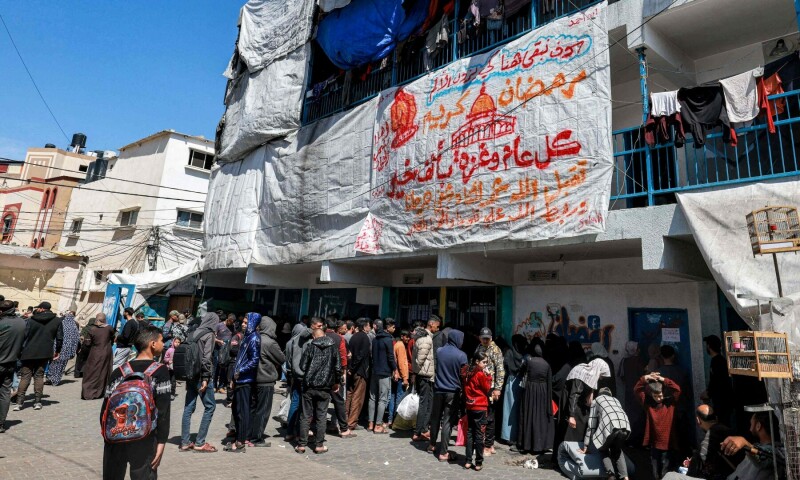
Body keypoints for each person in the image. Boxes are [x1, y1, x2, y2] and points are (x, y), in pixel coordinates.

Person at [102, 325, 171, 480]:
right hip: (144, 438)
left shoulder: (119, 371)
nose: (163, 344)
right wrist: (161, 442)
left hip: (115, 436)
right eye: (161, 340)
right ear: (152, 344)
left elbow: (105, 408)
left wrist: (108, 437)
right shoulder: (160, 371)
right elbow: (163, 411)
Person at [664, 411, 785, 480]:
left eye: (751, 423)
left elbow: (764, 458)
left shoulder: (775, 450)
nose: (749, 427)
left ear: (758, 426)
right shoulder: (758, 446)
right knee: (671, 476)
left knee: (671, 478)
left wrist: (746, 444)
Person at [295, 328, 341, 454]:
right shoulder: (333, 347)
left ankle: (301, 445)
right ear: (324, 336)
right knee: (321, 416)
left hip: (309, 386)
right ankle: (319, 445)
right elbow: (338, 368)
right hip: (325, 387)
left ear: (314, 337)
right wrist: (336, 383)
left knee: (305, 415)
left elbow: (302, 366)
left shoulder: (311, 347)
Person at [179, 312, 218, 453]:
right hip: (202, 376)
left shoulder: (193, 332)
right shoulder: (209, 335)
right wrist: (206, 378)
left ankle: (184, 442)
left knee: (188, 407)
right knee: (210, 406)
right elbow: (207, 358)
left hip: (190, 375)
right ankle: (200, 442)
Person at [428, 329, 468, 462]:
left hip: (438, 389)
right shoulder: (462, 355)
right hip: (453, 392)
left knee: (435, 418)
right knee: (447, 421)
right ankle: (443, 452)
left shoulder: (439, 351)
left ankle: (432, 444)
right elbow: (464, 375)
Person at [15, 301, 63, 411]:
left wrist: (20, 350)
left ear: (41, 309)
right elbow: (60, 338)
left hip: (28, 352)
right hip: (45, 353)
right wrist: (57, 351)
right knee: (39, 376)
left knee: (25, 376)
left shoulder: (31, 320)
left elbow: (24, 335)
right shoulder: (57, 321)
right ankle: (37, 402)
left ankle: (19, 402)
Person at [636, 372, 681, 479]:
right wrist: (645, 378)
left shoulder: (670, 403)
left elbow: (677, 389)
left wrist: (662, 379)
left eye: (660, 395)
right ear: (651, 395)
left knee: (666, 469)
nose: (658, 398)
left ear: (664, 393)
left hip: (667, 443)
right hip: (654, 443)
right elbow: (637, 390)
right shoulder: (648, 404)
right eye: (655, 396)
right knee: (655, 470)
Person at [251, 315, 286, 446]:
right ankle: (257, 438)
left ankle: (249, 433)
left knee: (253, 408)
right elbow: (282, 359)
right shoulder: (270, 342)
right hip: (265, 380)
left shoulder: (253, 338)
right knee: (263, 410)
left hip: (251, 379)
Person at [582, 387, 631, 480]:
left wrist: (586, 446)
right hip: (626, 426)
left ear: (599, 394)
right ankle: (625, 477)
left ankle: (610, 475)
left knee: (603, 448)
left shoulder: (596, 400)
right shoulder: (616, 400)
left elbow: (591, 424)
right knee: (617, 450)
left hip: (611, 425)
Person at [227, 312, 260, 453]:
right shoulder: (247, 337)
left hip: (246, 380)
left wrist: (240, 371)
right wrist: (234, 376)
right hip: (239, 378)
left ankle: (240, 441)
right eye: (243, 322)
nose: (243, 324)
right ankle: (238, 439)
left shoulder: (254, 338)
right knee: (236, 410)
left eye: (246, 322)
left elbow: (254, 360)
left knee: (242, 411)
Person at [683, 405, 740, 480]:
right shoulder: (729, 431)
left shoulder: (709, 438)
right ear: (716, 418)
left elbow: (693, 472)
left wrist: (693, 463)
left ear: (698, 420)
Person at [518, 339, 554, 454]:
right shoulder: (547, 364)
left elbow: (523, 373)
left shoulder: (530, 361)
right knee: (540, 416)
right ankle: (539, 445)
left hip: (530, 390)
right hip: (543, 391)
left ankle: (527, 444)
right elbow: (549, 382)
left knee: (529, 414)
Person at [474, 327, 505, 455]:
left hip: (491, 387)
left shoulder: (496, 350)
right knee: (483, 415)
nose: (485, 340)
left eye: (487, 338)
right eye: (483, 338)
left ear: (491, 338)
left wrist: (497, 388)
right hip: (481, 387)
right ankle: (485, 442)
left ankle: (488, 445)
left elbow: (500, 370)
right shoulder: (479, 348)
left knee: (490, 417)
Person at [565, 358, 610, 442]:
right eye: (601, 375)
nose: (601, 378)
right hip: (572, 404)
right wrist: (571, 415)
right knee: (570, 431)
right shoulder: (582, 373)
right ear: (598, 369)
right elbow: (575, 394)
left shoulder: (592, 375)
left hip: (578, 404)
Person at [463, 351, 493, 471]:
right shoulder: (480, 374)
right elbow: (487, 388)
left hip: (470, 405)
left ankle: (468, 461)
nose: (485, 364)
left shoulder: (467, 372)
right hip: (480, 407)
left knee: (470, 433)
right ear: (477, 362)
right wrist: (489, 376)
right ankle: (478, 462)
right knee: (479, 435)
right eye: (484, 362)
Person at [367, 319, 397, 434]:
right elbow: (390, 357)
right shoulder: (388, 339)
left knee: (372, 397)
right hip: (384, 372)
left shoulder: (375, 339)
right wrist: (395, 369)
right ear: (387, 327)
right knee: (382, 399)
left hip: (374, 371)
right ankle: (378, 425)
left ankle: (370, 423)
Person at [0, 300, 25, 433]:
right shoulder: (21, 322)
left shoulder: (2, 323)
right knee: (5, 393)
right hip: (11, 362)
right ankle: (1, 423)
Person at [284, 322, 312, 442]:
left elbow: (288, 361)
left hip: (294, 376)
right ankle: (300, 432)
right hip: (305, 377)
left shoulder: (290, 342)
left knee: (294, 402)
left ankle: (289, 431)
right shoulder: (309, 342)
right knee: (304, 406)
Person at [324, 317, 351, 437]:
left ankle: (313, 428)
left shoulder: (320, 337)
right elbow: (343, 358)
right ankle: (344, 429)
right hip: (334, 374)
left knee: (319, 402)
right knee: (339, 401)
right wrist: (343, 373)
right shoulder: (339, 339)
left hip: (320, 375)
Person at [411, 317, 438, 443]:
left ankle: (423, 429)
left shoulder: (422, 338)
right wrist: (417, 372)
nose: (437, 329)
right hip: (425, 375)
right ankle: (419, 431)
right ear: (431, 324)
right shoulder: (426, 339)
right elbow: (420, 359)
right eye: (436, 326)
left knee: (427, 403)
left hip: (424, 374)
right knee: (424, 404)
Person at [81, 313, 115, 400]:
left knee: (91, 373)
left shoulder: (92, 329)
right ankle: (100, 392)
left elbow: (87, 343)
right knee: (103, 371)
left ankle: (88, 393)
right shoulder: (109, 328)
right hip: (106, 352)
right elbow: (112, 338)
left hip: (95, 353)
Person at [702, 335, 734, 427]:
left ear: (709, 346)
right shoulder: (720, 360)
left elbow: (717, 381)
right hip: (723, 400)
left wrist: (708, 393)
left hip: (722, 401)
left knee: (722, 425)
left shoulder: (717, 361)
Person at [345, 318, 371, 432]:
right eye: (369, 325)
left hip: (352, 370)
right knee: (357, 397)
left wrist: (350, 368)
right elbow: (360, 356)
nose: (370, 327)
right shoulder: (364, 338)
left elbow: (350, 354)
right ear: (364, 326)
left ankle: (345, 419)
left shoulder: (354, 336)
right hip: (359, 371)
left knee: (349, 395)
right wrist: (353, 367)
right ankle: (352, 422)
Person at [618, 340, 645, 446]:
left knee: (630, 415)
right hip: (639, 392)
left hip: (629, 391)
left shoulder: (624, 361)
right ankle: (639, 440)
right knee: (640, 415)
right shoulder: (639, 361)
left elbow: (622, 377)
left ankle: (630, 439)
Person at [501, 334, 527, 444]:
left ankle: (508, 436)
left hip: (511, 382)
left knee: (508, 409)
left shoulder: (509, 353)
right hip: (522, 382)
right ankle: (517, 435)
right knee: (518, 409)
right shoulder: (525, 355)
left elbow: (506, 367)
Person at [46, 311, 80, 386]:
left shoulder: (61, 323)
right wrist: (73, 351)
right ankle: (56, 380)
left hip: (58, 347)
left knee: (53, 363)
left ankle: (50, 378)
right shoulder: (75, 326)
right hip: (67, 350)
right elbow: (76, 340)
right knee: (61, 365)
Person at [387, 324, 409, 428]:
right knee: (399, 397)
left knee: (392, 396)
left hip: (394, 375)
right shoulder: (400, 346)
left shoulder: (395, 344)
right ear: (402, 336)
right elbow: (401, 363)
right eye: (407, 337)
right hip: (399, 376)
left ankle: (390, 419)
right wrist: (405, 377)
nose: (408, 339)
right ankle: (395, 419)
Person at [214, 314, 235, 393]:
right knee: (216, 367)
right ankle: (214, 385)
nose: (231, 323)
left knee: (224, 367)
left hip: (226, 350)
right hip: (218, 349)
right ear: (227, 319)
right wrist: (219, 341)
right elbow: (213, 336)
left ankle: (221, 386)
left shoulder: (232, 326)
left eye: (232, 322)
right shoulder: (219, 325)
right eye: (230, 321)